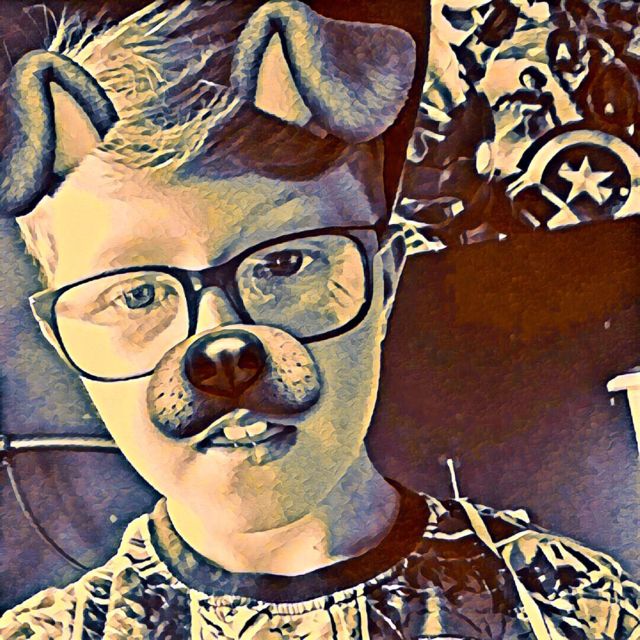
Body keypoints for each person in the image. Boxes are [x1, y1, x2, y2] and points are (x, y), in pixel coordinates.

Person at [0, 1, 638, 638]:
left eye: (284, 264)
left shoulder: (574, 608)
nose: (218, 344)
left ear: (384, 284)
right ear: (62, 341)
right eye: (137, 295)